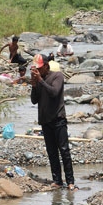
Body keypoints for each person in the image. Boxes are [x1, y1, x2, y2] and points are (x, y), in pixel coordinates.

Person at [30, 53, 76, 190]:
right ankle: (57, 180)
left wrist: (41, 81)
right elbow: (34, 100)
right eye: (36, 69)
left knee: (64, 150)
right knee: (51, 152)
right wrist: (34, 85)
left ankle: (70, 181)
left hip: (58, 118)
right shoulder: (39, 80)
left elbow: (54, 92)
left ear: (46, 65)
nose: (38, 71)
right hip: (45, 120)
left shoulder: (57, 76)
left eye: (40, 68)